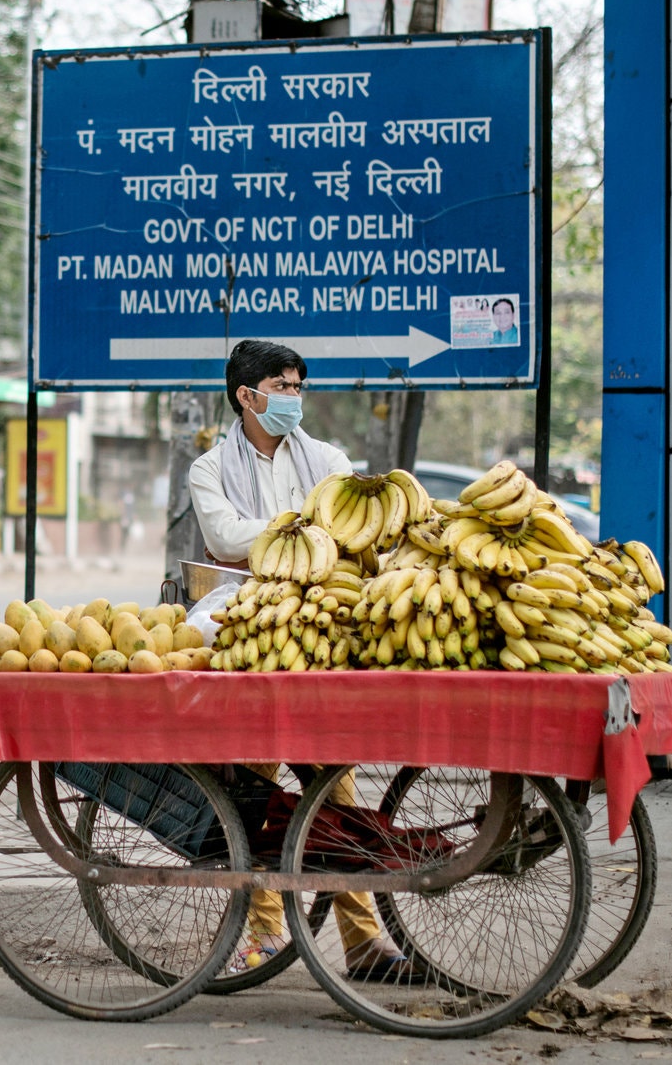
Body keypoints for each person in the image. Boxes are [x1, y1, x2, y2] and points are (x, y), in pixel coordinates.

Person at [186, 338, 416, 982]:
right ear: (247, 396)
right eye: (284, 386)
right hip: (252, 631)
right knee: (252, 796)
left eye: (298, 386)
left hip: (321, 628)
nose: (295, 397)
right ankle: (263, 933)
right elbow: (222, 538)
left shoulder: (329, 459)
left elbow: (351, 533)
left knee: (331, 787)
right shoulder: (210, 469)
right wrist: (302, 530)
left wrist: (290, 538)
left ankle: (365, 942)